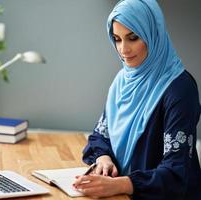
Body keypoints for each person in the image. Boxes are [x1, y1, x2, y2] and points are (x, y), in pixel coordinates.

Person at [73, 0, 201, 199]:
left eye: (133, 38)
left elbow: (176, 173)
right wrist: (103, 158)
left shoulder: (180, 89)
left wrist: (121, 184)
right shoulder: (122, 81)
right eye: (116, 39)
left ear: (153, 34)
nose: (123, 49)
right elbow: (100, 136)